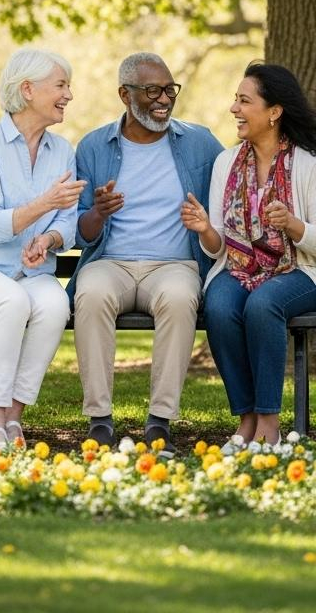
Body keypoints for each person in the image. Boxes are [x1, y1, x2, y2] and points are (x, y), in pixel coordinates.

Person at [72, 52, 223, 450]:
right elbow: (80, 233)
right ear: (125, 94)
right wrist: (99, 213)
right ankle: (99, 421)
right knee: (90, 293)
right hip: (112, 263)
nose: (164, 99)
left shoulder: (201, 143)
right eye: (153, 90)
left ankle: (159, 422)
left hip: (174, 265)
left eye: (169, 90)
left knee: (178, 298)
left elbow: (231, 190)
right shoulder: (93, 147)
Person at [181, 63, 316, 449]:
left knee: (263, 304)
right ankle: (247, 419)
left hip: (300, 268)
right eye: (234, 99)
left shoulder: (307, 164)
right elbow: (219, 246)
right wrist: (206, 229)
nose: (233, 109)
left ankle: (269, 424)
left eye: (244, 101)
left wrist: (293, 225)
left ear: (274, 112)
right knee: (220, 305)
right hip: (239, 266)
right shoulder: (228, 162)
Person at [0, 48, 84, 446]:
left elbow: (67, 221)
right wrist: (45, 203)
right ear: (27, 90)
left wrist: (47, 239)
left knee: (56, 305)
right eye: (60, 85)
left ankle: (14, 417)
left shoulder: (63, 151)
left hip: (33, 269)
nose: (68, 95)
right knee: (12, 302)